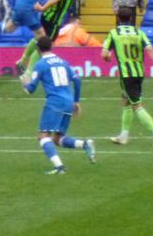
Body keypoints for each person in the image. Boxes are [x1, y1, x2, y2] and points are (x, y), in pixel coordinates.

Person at [20, 36, 96, 174]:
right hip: (68, 101)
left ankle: (59, 167)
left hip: (55, 102)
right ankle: (84, 144)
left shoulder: (41, 64)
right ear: (51, 47)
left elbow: (31, 89)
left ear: (37, 49)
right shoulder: (63, 62)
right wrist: (76, 101)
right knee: (57, 138)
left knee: (43, 136)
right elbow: (77, 80)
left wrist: (24, 82)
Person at [103, 7, 153, 146]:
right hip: (139, 72)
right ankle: (123, 136)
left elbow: (104, 54)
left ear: (118, 18)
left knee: (137, 106)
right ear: (131, 18)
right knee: (125, 101)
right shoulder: (139, 32)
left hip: (126, 74)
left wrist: (108, 57)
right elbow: (149, 48)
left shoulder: (114, 33)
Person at [15, 0, 76, 78]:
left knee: (38, 39)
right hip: (53, 21)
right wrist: (42, 8)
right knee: (44, 45)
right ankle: (28, 72)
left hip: (47, 17)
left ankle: (22, 61)